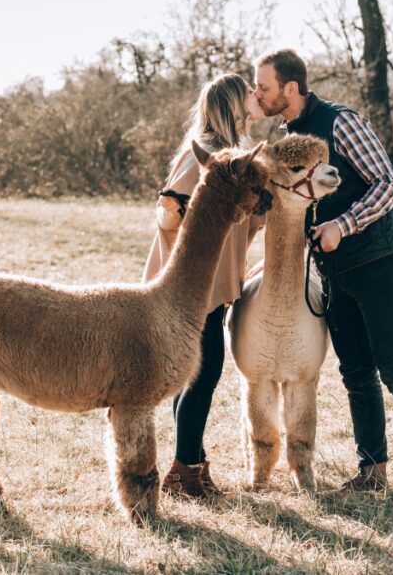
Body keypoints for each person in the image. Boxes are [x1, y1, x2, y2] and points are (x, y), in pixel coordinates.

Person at [252, 49, 393, 504]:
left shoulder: (340, 122)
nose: (258, 94)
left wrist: (342, 225)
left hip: (376, 261)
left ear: (290, 88)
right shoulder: (285, 136)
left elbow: (388, 183)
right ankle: (371, 469)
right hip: (331, 270)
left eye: (264, 88)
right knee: (355, 372)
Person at [142, 73, 266, 498]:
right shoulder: (202, 155)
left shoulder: (239, 155)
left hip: (218, 278)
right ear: (233, 103)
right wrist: (173, 211)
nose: (255, 95)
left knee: (195, 373)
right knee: (204, 370)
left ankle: (190, 462)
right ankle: (185, 469)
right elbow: (168, 211)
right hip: (192, 284)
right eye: (248, 91)